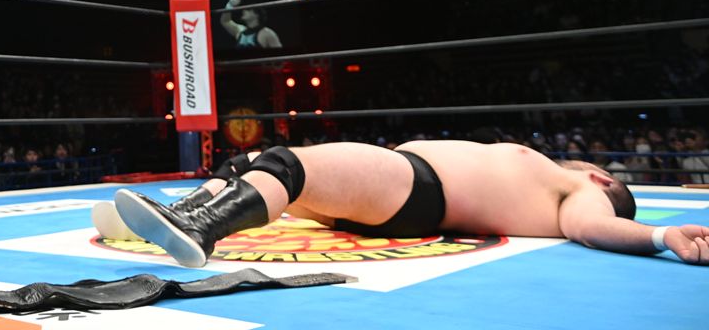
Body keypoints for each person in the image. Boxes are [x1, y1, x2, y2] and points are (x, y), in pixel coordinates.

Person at [111, 140, 709, 268]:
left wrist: (661, 236)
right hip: (402, 196)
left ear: (602, 179)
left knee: (287, 167)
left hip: (418, 188)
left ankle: (198, 227)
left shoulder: (582, 192)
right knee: (257, 163)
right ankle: (181, 211)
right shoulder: (553, 186)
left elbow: (592, 228)